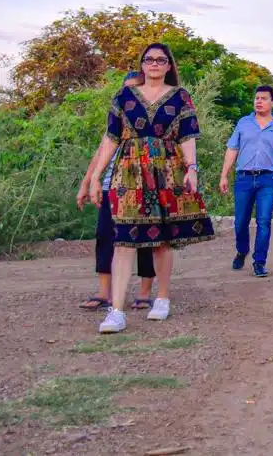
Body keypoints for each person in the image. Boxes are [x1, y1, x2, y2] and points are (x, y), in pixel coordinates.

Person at [87, 44, 214, 334]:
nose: (154, 64)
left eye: (160, 60)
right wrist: (96, 177)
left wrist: (192, 168)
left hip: (168, 168)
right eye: (149, 60)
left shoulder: (181, 97)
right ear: (142, 65)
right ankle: (116, 311)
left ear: (169, 65)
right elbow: (110, 139)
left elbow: (187, 137)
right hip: (129, 170)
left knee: (161, 238)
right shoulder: (123, 97)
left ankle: (162, 297)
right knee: (122, 239)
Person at [76, 71, 155, 311]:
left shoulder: (152, 123)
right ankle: (105, 293)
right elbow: (101, 153)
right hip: (112, 186)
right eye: (127, 89)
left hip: (144, 186)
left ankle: (144, 293)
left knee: (145, 238)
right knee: (105, 236)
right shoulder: (116, 119)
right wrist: (88, 182)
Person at [219, 86, 273, 278]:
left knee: (264, 221)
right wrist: (224, 175)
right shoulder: (243, 123)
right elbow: (232, 149)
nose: (258, 101)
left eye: (264, 98)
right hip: (244, 177)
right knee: (241, 221)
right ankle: (242, 249)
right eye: (257, 98)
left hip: (268, 178)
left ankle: (259, 261)